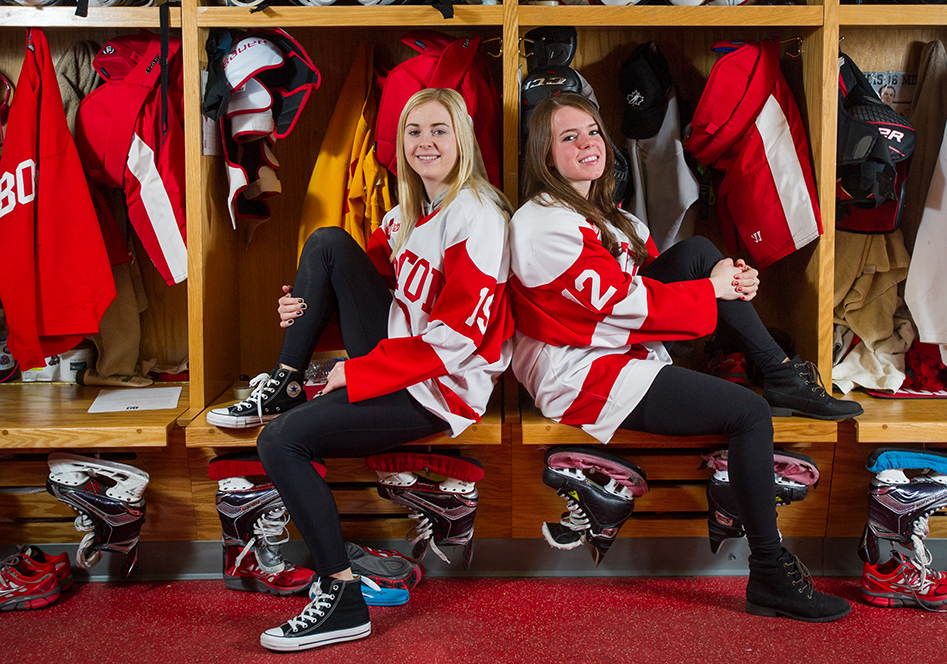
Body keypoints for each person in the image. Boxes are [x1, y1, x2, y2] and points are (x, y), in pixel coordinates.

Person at [511, 92, 860, 622]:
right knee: (750, 413)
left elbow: (668, 279)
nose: (588, 143)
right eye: (569, 136)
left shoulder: (610, 214)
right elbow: (620, 304)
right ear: (545, 154)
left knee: (699, 253)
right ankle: (768, 572)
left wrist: (733, 283)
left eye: (593, 131)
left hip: (617, 346)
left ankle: (780, 373)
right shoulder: (542, 224)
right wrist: (712, 292)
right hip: (579, 370)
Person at [207, 88, 513, 651]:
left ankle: (341, 598)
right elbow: (355, 288)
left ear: (463, 139)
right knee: (325, 244)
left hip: (439, 389)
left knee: (280, 443)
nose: (425, 143)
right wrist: (301, 311)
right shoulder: (406, 215)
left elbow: (458, 339)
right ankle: (284, 382)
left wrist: (362, 372)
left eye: (439, 130)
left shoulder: (479, 217)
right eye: (414, 131)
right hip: (398, 360)